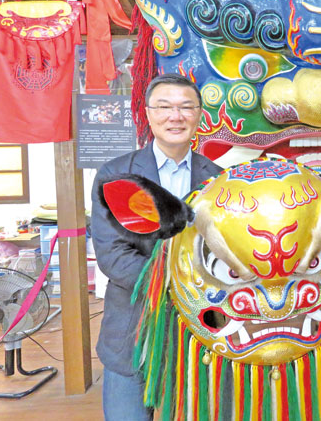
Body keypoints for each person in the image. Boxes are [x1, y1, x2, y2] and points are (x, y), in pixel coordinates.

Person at [91, 73, 222, 420]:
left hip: (202, 331)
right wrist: (178, 285)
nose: (175, 116)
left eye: (185, 107)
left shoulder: (220, 180)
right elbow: (113, 256)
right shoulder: (116, 175)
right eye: (164, 107)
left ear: (199, 115)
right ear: (148, 114)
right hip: (133, 330)